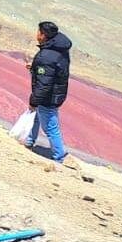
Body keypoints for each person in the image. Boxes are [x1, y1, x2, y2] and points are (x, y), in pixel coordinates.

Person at [25, 21, 72, 163]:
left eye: (38, 32)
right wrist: (35, 68)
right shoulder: (58, 50)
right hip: (55, 93)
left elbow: (44, 83)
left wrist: (34, 101)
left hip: (48, 96)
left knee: (50, 127)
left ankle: (59, 156)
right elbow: (52, 71)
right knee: (36, 116)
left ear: (43, 35)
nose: (36, 34)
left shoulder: (46, 55)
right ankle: (29, 140)